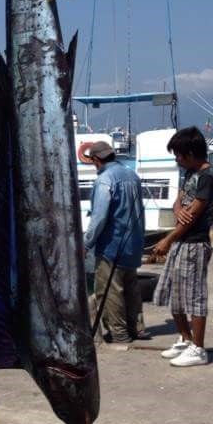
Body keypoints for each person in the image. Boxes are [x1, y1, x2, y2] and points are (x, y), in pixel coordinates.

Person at [151, 126, 213, 367]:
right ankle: (185, 338)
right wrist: (178, 209)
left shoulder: (207, 177)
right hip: (181, 242)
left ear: (191, 154)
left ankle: (199, 348)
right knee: (175, 294)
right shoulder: (189, 174)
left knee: (194, 297)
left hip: (194, 244)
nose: (177, 160)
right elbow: (179, 201)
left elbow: (193, 217)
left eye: (179, 155)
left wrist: (167, 239)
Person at [83, 140, 146, 346]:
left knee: (110, 291)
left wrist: (85, 244)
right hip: (134, 242)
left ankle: (119, 334)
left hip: (112, 245)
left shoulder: (105, 180)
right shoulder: (132, 175)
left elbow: (99, 218)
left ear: (96, 160)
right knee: (131, 288)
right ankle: (137, 328)